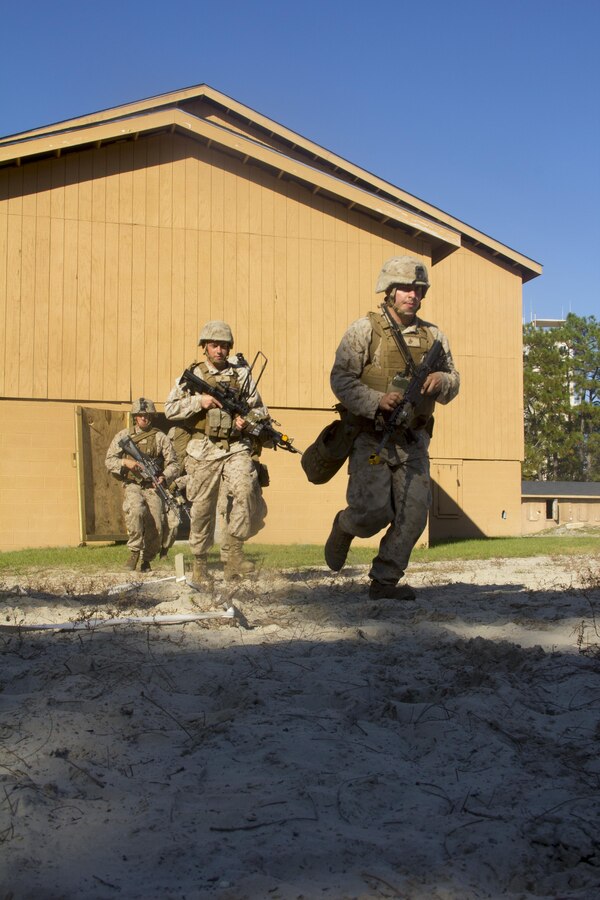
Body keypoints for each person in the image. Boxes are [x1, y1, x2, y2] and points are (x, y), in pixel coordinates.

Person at [325, 255, 460, 600]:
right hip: (372, 436)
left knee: (414, 515)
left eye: (417, 289)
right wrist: (376, 401)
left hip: (413, 440)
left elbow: (455, 382)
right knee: (371, 513)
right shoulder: (364, 330)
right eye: (403, 288)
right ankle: (344, 526)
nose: (411, 295)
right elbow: (340, 379)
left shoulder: (434, 337)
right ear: (388, 290)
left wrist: (440, 380)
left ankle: (384, 581)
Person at [164, 321, 267, 584]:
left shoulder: (242, 375)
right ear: (205, 348)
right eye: (214, 345)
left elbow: (260, 410)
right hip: (203, 449)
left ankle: (233, 555)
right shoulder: (191, 375)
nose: (219, 350)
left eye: (224, 346)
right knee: (202, 508)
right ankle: (199, 564)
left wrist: (248, 422)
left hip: (235, 447)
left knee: (245, 490)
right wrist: (200, 401)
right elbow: (170, 409)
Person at [105, 398, 179, 571]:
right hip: (133, 485)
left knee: (156, 525)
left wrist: (164, 477)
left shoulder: (160, 437)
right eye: (140, 415)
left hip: (152, 486)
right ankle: (134, 552)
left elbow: (174, 463)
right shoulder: (124, 436)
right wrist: (125, 462)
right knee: (136, 511)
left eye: (147, 416)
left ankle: (147, 559)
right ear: (135, 417)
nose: (144, 419)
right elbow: (109, 460)